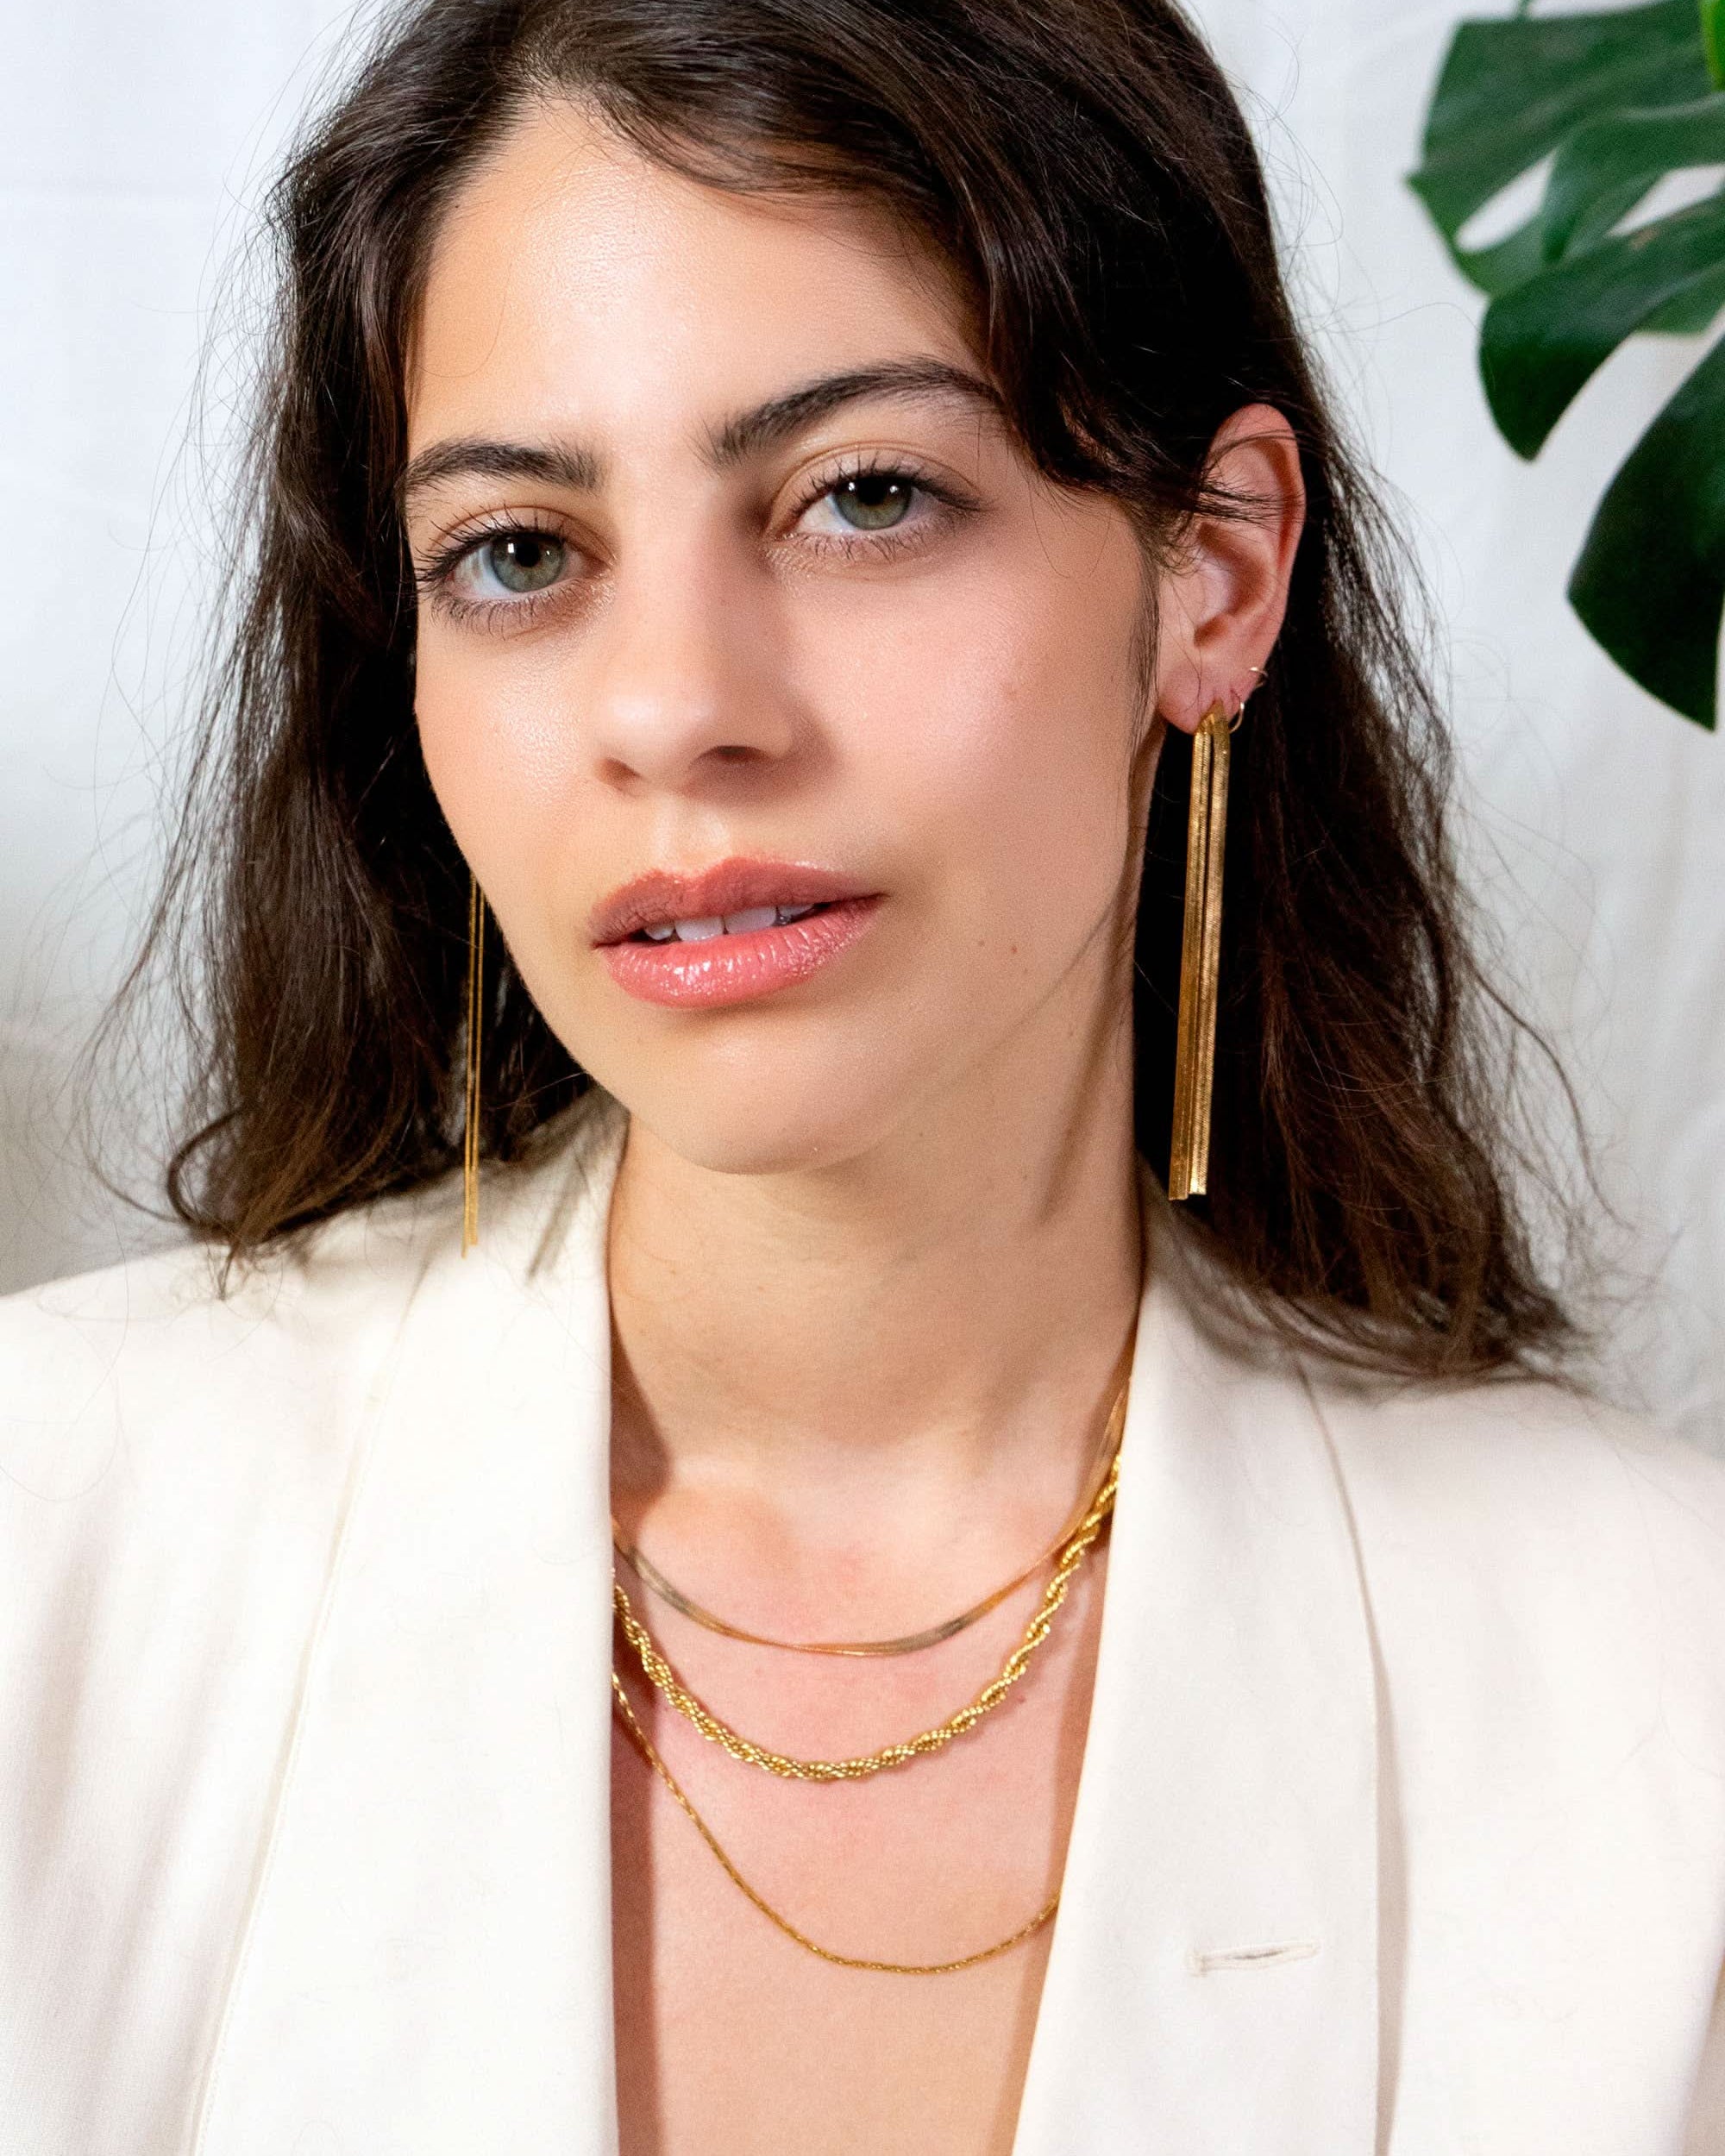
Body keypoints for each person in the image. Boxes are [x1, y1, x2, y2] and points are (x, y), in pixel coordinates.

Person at [3, 0, 1722, 2149]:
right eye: (519, 549)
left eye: (863, 497)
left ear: (1215, 566)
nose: (675, 711)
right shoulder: (48, 1529)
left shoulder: (1662, 1675)